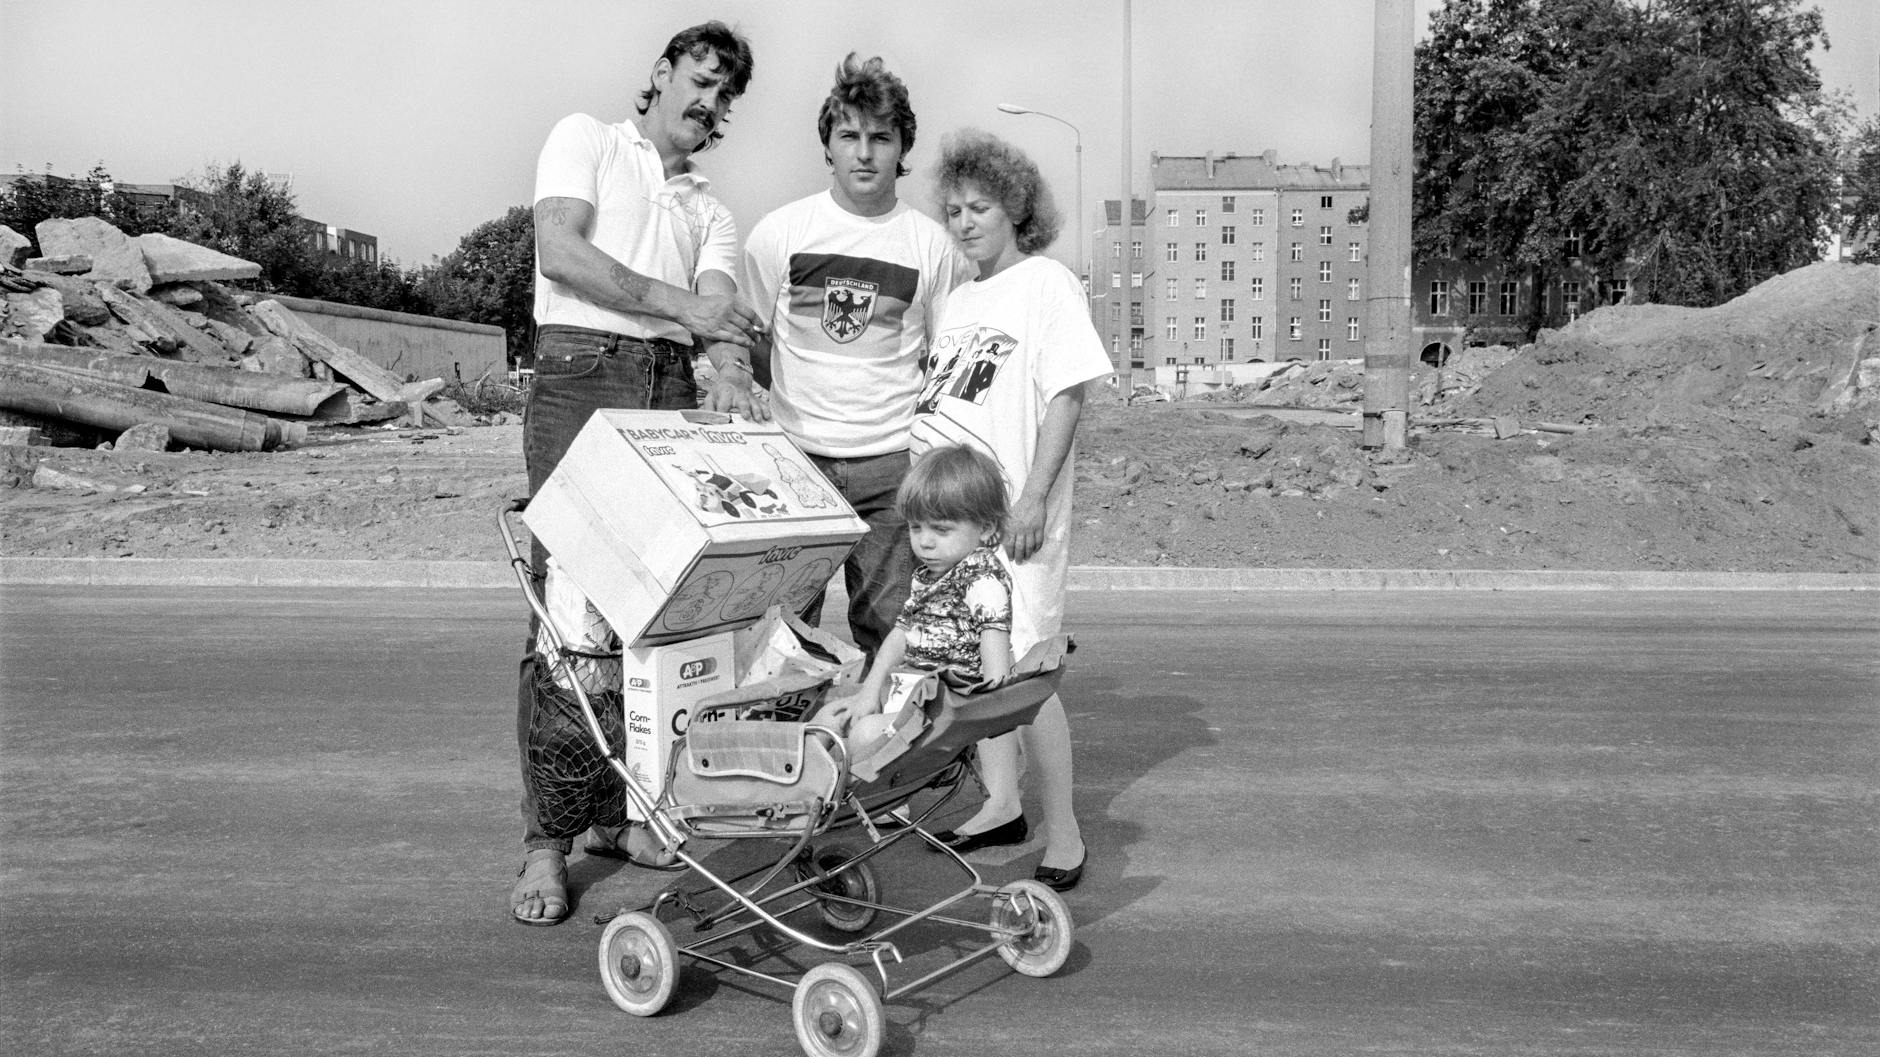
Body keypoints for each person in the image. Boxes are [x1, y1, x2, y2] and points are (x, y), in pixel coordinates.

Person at [511, 20, 764, 927]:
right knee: (568, 623)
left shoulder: (711, 207)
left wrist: (728, 366)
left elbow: (722, 311)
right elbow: (563, 254)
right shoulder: (587, 140)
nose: (711, 102)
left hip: (668, 394)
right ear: (660, 74)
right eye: (702, 78)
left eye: (727, 95)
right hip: (583, 373)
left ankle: (615, 815)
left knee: (648, 620)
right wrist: (681, 306)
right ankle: (547, 843)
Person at [909, 130, 1112, 893]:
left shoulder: (1047, 283)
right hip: (953, 523)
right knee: (970, 663)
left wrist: (1031, 498)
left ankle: (1064, 831)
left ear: (1015, 209)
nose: (964, 222)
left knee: (1025, 673)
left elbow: (1067, 393)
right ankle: (1000, 802)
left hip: (1014, 521)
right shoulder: (960, 299)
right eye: (954, 209)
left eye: (981, 207)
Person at [742, 53, 971, 665]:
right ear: (828, 146)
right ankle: (789, 757)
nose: (865, 153)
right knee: (781, 640)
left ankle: (899, 761)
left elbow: (944, 366)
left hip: (893, 468)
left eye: (880, 137)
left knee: (895, 635)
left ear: (902, 148)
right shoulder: (778, 234)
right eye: (850, 136)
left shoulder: (933, 246)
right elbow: (749, 336)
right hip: (795, 467)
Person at [840, 444, 1015, 718]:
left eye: (941, 530)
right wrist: (869, 691)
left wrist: (991, 717)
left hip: (948, 709)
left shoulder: (982, 582)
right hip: (913, 694)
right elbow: (901, 634)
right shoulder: (931, 574)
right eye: (915, 527)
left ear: (985, 528)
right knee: (830, 718)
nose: (924, 542)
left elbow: (995, 678)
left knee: (862, 735)